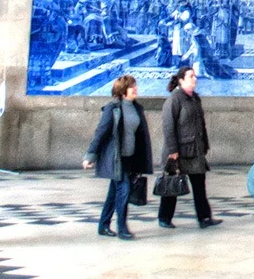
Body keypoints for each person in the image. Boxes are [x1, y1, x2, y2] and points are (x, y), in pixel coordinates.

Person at [82, 75, 153, 241]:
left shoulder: (137, 108)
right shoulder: (112, 108)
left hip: (130, 157)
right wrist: (90, 155)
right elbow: (101, 133)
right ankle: (122, 228)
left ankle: (103, 225)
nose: (135, 89)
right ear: (122, 90)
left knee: (114, 193)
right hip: (116, 158)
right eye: (132, 87)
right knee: (124, 190)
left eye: (135, 86)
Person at [158, 66, 221, 230]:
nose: (195, 79)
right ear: (181, 80)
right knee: (172, 185)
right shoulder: (174, 99)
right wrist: (173, 150)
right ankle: (164, 217)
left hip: (195, 150)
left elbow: (201, 124)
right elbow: (168, 127)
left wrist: (205, 144)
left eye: (195, 76)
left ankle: (204, 217)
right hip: (178, 151)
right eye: (191, 76)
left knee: (200, 185)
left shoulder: (195, 99)